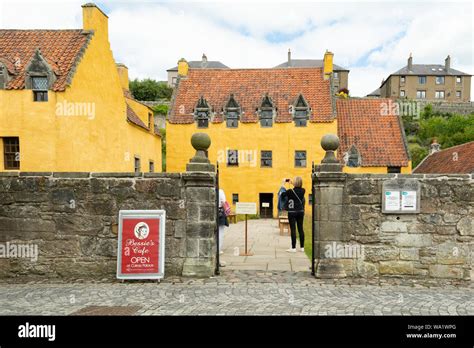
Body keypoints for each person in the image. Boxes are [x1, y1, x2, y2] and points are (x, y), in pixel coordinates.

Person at [280, 177, 305, 253]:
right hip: (300, 211)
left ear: (295, 182)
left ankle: (293, 248)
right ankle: (302, 247)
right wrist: (292, 183)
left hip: (292, 212)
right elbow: (297, 190)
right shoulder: (303, 190)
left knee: (293, 229)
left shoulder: (290, 191)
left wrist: (283, 184)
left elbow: (282, 195)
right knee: (300, 229)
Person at [218, 188, 229, 266]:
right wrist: (227, 211)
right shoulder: (220, 191)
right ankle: (218, 249)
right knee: (220, 232)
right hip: (220, 213)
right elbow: (223, 202)